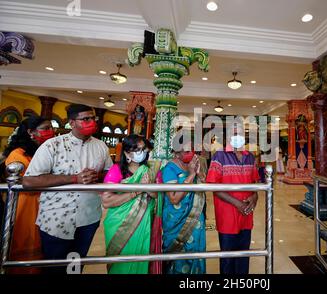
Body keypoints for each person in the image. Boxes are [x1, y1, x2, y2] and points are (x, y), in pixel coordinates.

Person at [22, 104, 113, 274]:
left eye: (93, 118)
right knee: (54, 267)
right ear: (72, 122)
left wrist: (96, 177)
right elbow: (29, 181)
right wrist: (74, 178)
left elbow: (109, 173)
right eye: (86, 119)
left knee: (76, 265)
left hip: (88, 217)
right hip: (56, 219)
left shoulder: (101, 146)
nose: (91, 122)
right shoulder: (53, 145)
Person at [100, 135, 159, 274]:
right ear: (126, 153)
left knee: (142, 259)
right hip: (119, 224)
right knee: (121, 262)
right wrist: (137, 190)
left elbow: (158, 196)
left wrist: (149, 187)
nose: (142, 153)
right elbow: (106, 201)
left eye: (143, 149)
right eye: (137, 149)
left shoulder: (151, 170)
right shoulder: (116, 170)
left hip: (144, 222)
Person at [3, 116, 54, 274]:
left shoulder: (42, 150)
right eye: (45, 128)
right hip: (26, 205)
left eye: (51, 128)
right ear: (31, 132)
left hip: (44, 203)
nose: (50, 132)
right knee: (26, 240)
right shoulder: (17, 155)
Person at [206, 129, 259, 274]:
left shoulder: (250, 157)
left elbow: (256, 183)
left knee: (243, 254)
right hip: (227, 215)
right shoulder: (219, 156)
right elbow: (214, 187)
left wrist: (254, 198)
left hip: (246, 214)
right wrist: (237, 203)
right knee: (228, 256)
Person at [161, 144, 206, 274]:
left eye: (191, 150)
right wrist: (191, 175)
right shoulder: (170, 169)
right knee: (177, 258)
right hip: (175, 221)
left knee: (196, 252)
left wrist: (199, 173)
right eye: (186, 151)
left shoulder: (194, 163)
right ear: (176, 153)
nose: (190, 153)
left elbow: (203, 184)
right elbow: (174, 198)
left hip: (196, 219)